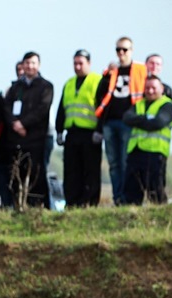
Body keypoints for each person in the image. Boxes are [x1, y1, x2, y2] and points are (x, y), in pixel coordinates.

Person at [95, 37, 148, 204]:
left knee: (126, 161)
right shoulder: (112, 71)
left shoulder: (140, 70)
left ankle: (127, 196)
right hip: (110, 121)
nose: (121, 53)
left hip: (129, 122)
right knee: (113, 163)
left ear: (131, 50)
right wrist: (106, 76)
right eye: (118, 50)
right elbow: (100, 95)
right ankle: (117, 197)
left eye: (125, 49)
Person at [3, 52, 54, 209]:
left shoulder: (45, 86)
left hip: (37, 138)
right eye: (27, 63)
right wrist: (15, 124)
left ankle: (39, 207)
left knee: (37, 175)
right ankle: (19, 206)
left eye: (33, 63)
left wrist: (24, 124)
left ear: (38, 65)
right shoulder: (15, 87)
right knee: (17, 174)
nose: (30, 66)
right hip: (17, 139)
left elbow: (42, 109)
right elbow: (6, 107)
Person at [55, 49, 103, 207]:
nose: (77, 67)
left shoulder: (97, 81)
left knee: (90, 170)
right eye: (75, 63)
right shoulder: (69, 83)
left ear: (89, 63)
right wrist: (59, 130)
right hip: (72, 133)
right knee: (71, 170)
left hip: (90, 133)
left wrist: (99, 130)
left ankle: (89, 202)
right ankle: (72, 202)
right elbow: (62, 108)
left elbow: (103, 107)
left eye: (80, 63)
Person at [122, 76, 172, 205]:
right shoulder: (139, 104)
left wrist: (139, 120)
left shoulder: (167, 105)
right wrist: (147, 119)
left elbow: (159, 122)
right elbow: (126, 118)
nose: (150, 91)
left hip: (155, 153)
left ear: (161, 89)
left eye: (153, 88)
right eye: (147, 88)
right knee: (131, 192)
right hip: (136, 151)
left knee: (155, 191)